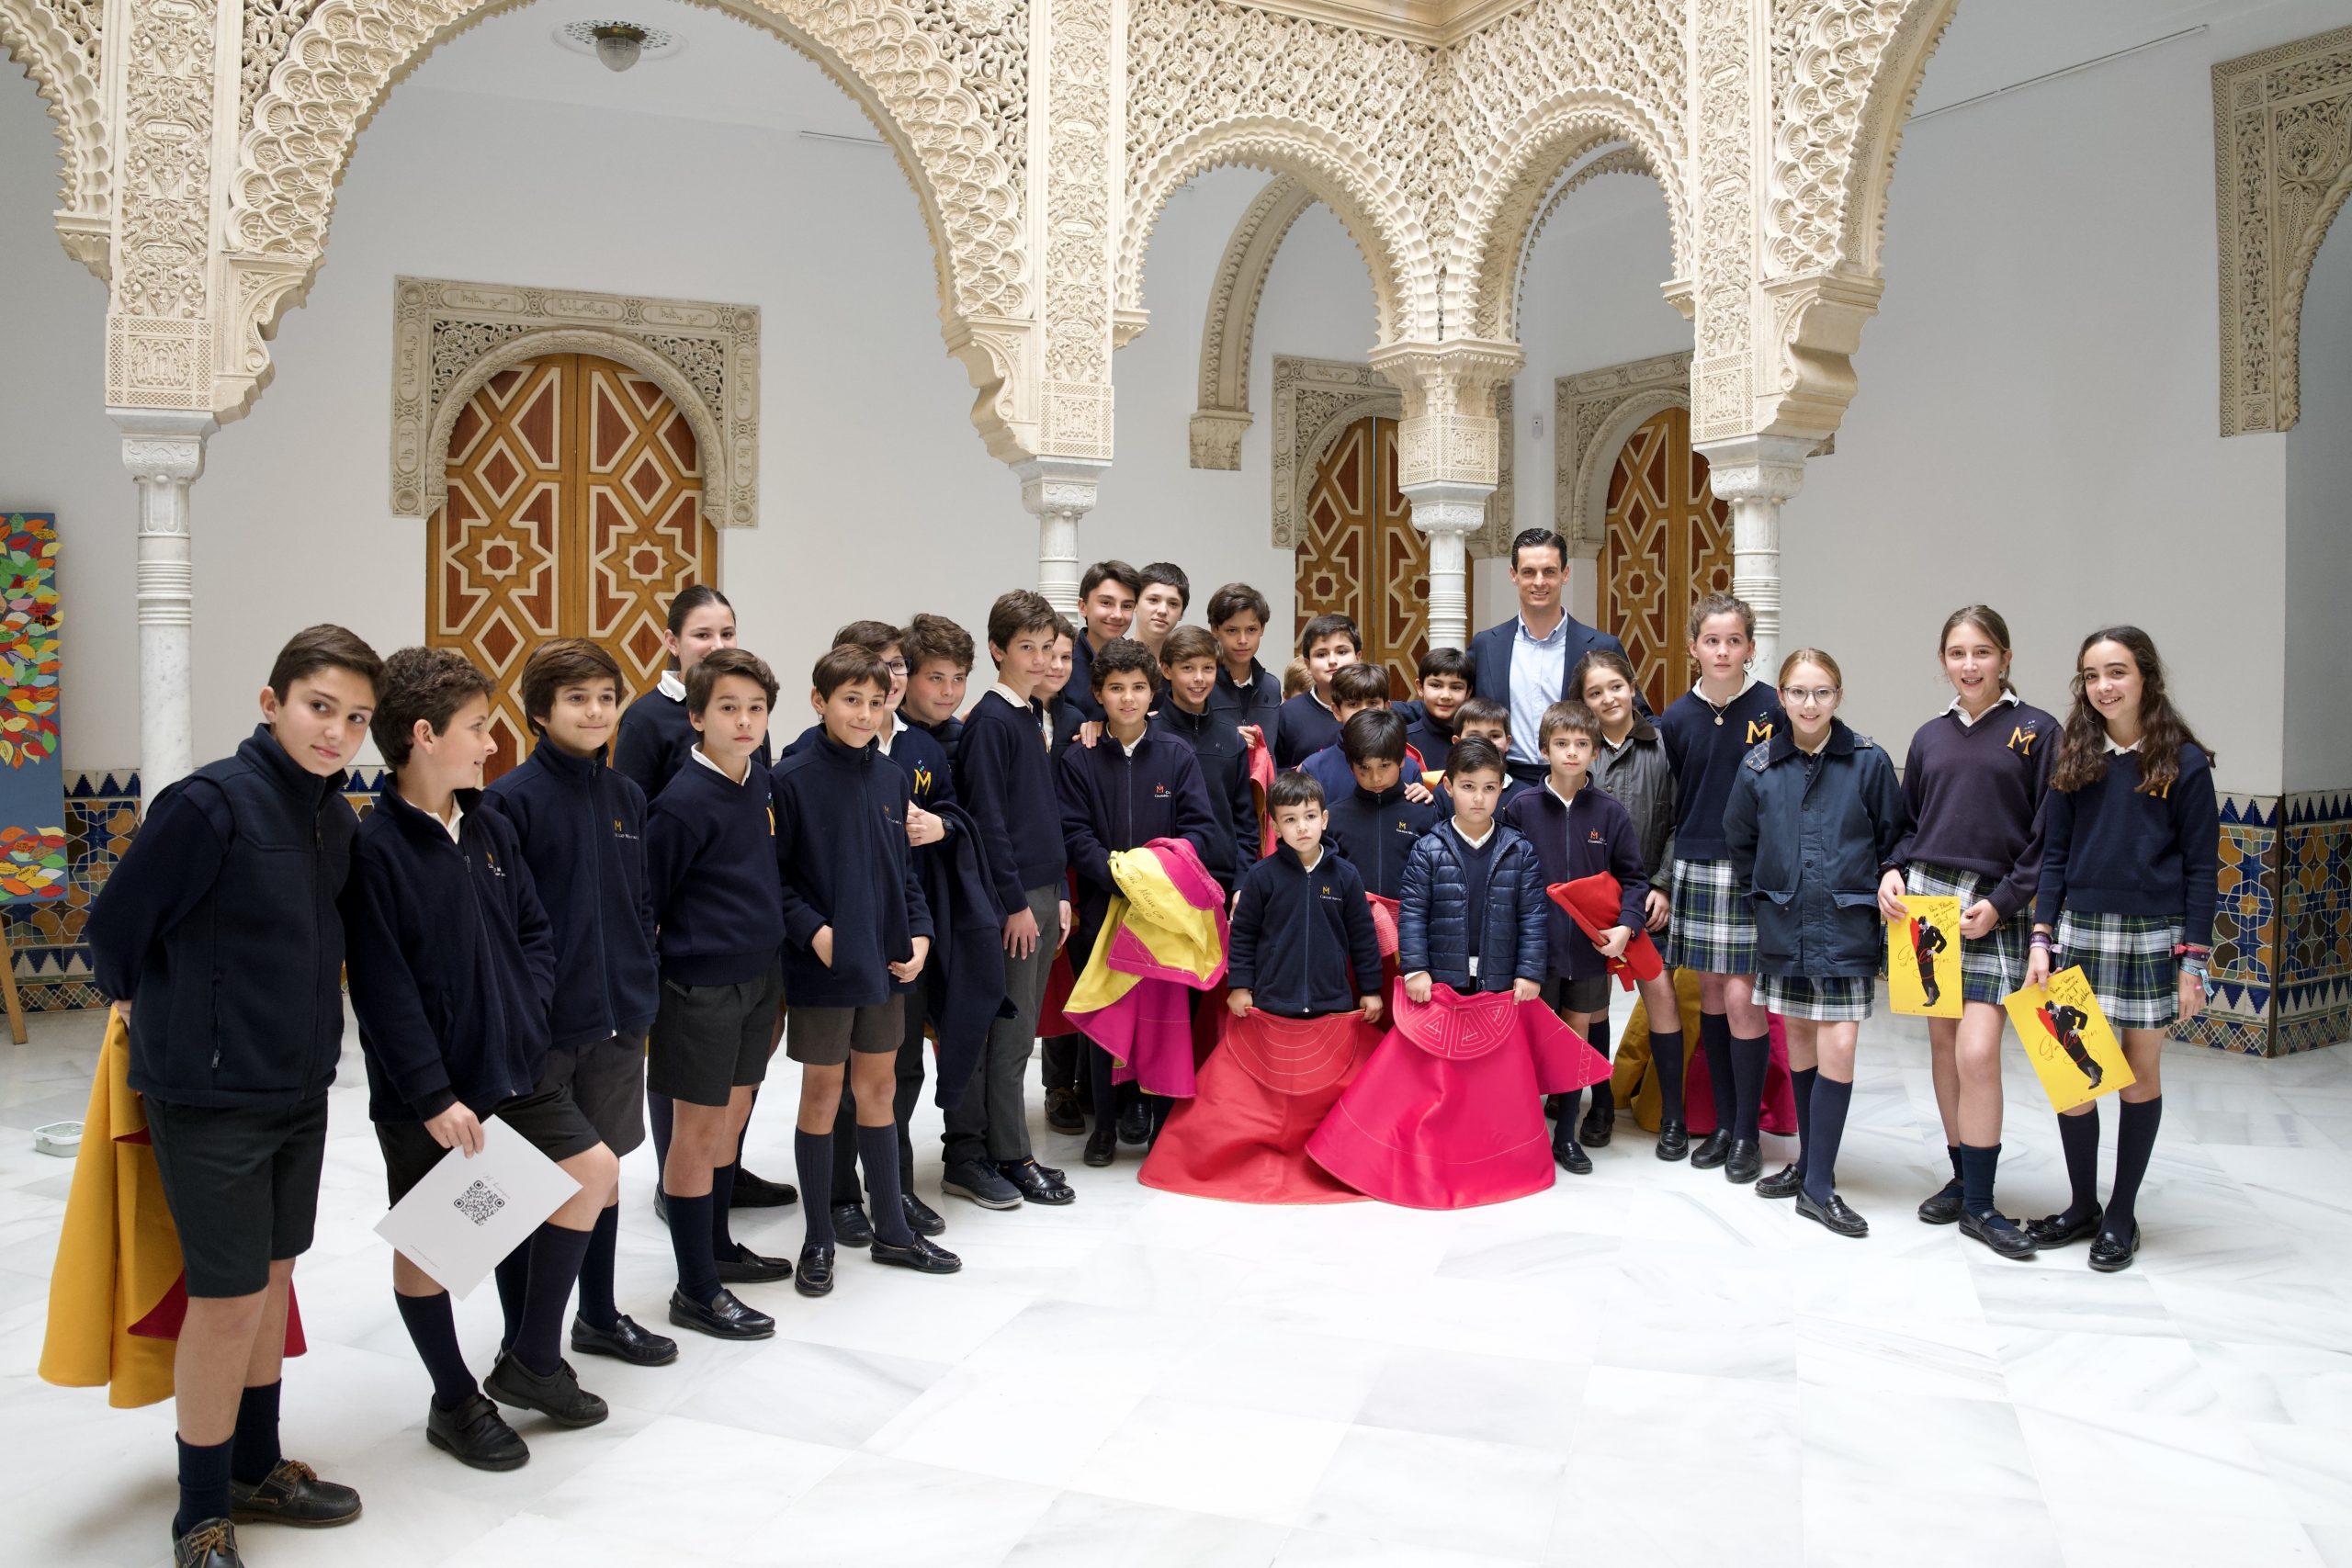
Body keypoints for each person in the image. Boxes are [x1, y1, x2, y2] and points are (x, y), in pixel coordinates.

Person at [85, 626, 380, 1568]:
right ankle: (199, 1512)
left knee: (274, 1280)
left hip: (297, 1088)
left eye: (356, 719)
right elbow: (114, 928)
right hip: (210, 1097)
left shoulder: (336, 817)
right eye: (319, 708)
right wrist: (150, 1007)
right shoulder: (209, 804)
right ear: (272, 704)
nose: (336, 733)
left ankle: (258, 1466)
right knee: (224, 1299)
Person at [343, 648, 621, 1466]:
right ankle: (453, 1398)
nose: (490, 741)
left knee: (593, 1169)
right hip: (433, 1094)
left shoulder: (488, 821)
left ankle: (532, 1359)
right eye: (476, 727)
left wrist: (528, 1003)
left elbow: (534, 930)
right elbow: (384, 993)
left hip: (516, 1065)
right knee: (436, 1246)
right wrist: (432, 1095)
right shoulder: (377, 848)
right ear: (425, 735)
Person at [481, 641, 677, 1370]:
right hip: (543, 1029)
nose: (595, 711)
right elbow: (501, 927)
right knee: (523, 1183)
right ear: (540, 711)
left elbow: (639, 901)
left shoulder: (627, 795)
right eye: (576, 698)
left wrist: (642, 981)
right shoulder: (508, 802)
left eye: (604, 696)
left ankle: (598, 1314)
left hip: (620, 1018)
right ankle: (520, 1337)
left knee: (605, 1172)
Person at [2024, 626, 2218, 1273]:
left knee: (2137, 1071)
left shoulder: (2184, 762)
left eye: (2117, 671)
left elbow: (2200, 868)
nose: (2103, 686)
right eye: (2091, 675)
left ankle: (2121, 1213)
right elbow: (2054, 856)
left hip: (2152, 937)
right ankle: (2082, 1202)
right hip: (2079, 929)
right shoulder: (2074, 753)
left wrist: (2193, 962)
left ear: (2145, 677)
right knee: (2071, 1071)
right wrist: (2042, 937)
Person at [774, 645, 959, 1293]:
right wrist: (815, 934)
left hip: (885, 961)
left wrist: (921, 931)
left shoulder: (890, 778)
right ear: (820, 701)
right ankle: (818, 1236)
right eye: (850, 699)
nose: (863, 712)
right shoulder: (790, 778)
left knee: (878, 1089)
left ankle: (894, 1232)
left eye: (875, 701)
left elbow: (903, 872)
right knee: (824, 1094)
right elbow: (779, 882)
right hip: (824, 966)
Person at [1876, 606, 2055, 1260]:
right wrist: (1892, 871)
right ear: (1943, 661)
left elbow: (2048, 836)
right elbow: (1908, 823)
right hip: (1926, 904)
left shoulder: (2038, 731)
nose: (1970, 664)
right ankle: (1962, 1174)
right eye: (1957, 653)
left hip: (1992, 906)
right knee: (1944, 1047)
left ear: (2006, 656)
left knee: (1978, 1052)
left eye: (1982, 651)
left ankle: (1982, 1204)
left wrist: (2006, 903)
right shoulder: (1928, 736)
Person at [610, 584, 794, 1216]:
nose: (716, 644)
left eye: (726, 633)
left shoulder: (746, 724)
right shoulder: (647, 723)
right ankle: (679, 1186)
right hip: (693, 936)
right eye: (702, 634)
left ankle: (724, 1174)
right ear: (672, 642)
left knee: (737, 1082)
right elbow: (638, 830)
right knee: (690, 1082)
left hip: (746, 940)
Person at [1724, 649, 1906, 1239]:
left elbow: (1894, 835)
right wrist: (1768, 893)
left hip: (1847, 924)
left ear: (1839, 696)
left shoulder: (1869, 760)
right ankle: (1808, 1165)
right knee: (1799, 1043)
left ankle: (1819, 1187)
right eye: (1798, 693)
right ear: (1780, 698)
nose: (1810, 704)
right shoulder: (1757, 767)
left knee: (1840, 1048)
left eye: (1822, 692)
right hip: (1783, 923)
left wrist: (1889, 871)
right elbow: (1740, 842)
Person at [1142, 771, 1385, 1202]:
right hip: (1273, 1002)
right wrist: (1241, 986)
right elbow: (1245, 937)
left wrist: (1370, 989)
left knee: (1324, 1090)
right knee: (1273, 1093)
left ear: (1325, 819)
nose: (1302, 827)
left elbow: (1364, 938)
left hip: (1332, 1003)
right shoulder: (1260, 877)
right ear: (1274, 827)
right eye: (1290, 820)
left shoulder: (1346, 877)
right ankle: (1270, 1149)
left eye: (1310, 816)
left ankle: (1325, 1156)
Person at [643, 648, 792, 1343]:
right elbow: (653, 902)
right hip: (701, 987)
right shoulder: (680, 803)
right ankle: (695, 1288)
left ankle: (719, 1248)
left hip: (757, 978)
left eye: (756, 708)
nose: (744, 720)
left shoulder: (757, 781)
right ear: (697, 716)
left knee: (732, 1120)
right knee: (695, 1134)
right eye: (728, 708)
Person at [1057, 637, 1220, 1163]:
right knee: (1110, 1014)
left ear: (1154, 693)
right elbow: (1074, 833)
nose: (1127, 698)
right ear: (1098, 695)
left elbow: (1199, 828)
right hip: (1104, 909)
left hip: (1165, 915)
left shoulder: (1176, 754)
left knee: (1164, 1019)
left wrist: (1155, 875)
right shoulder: (1079, 759)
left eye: (1138, 688)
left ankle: (1160, 1126)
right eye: (1115, 688)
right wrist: (1117, 873)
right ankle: (1104, 1124)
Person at [947, 591, 1077, 1209]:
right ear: (998, 649)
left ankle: (1012, 1146)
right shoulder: (992, 722)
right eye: (1025, 647)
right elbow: (988, 822)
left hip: (1045, 888)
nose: (1039, 659)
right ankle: (1011, 1152)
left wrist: (1063, 890)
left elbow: (1041, 813)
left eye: (1047, 648)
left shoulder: (1028, 715)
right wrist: (1015, 903)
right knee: (1013, 1030)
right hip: (1017, 896)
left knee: (1023, 1025)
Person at [1657, 593, 1783, 1184]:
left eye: (1735, 641)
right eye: (1712, 640)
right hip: (1696, 862)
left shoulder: (1775, 708)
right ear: (1693, 648)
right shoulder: (1678, 717)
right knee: (1710, 996)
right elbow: (1675, 797)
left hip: (1752, 868)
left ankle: (1749, 1133)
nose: (1724, 651)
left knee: (1742, 999)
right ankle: (1727, 1125)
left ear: (1751, 648)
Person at [1502, 701, 1646, 1174]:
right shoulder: (1520, 807)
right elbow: (1505, 878)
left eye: (1582, 744)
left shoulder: (1609, 812)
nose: (1571, 753)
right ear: (1544, 749)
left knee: (1574, 1040)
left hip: (1587, 951)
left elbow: (1633, 878)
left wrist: (1626, 926)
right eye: (1561, 744)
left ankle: (1566, 1137)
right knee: (1529, 1042)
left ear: (1596, 751)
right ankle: (1523, 1131)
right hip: (1534, 951)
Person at [1573, 649, 1683, 1157]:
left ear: (1632, 686)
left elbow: (1682, 821)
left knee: (1660, 993)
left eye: (1615, 687)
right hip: (1594, 903)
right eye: (1594, 693)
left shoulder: (1664, 745)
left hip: (1650, 897)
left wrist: (1661, 883)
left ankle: (1674, 1115)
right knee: (1591, 1003)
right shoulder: (1578, 751)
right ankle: (1597, 1105)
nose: (1607, 699)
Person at [1466, 527, 1640, 786]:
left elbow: (1638, 716)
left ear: (1565, 574)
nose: (1539, 582)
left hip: (1582, 781)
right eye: (1528, 572)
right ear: (1513, 575)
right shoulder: (1486, 646)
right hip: (1504, 782)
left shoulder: (1602, 646)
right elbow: (1452, 705)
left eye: (1549, 571)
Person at [1153, 625, 1257, 891]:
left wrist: (1242, 882)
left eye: (1208, 668)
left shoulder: (1232, 739)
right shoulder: (1148, 734)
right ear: (1167, 671)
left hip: (1220, 878)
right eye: (1187, 668)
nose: (1199, 678)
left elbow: (1245, 822)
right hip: (1158, 877)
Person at [1323, 709, 1443, 904]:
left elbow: (1437, 878)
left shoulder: (1424, 811)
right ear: (1351, 765)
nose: (1376, 777)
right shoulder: (1333, 817)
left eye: (1384, 765)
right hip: (1353, 924)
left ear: (1402, 760)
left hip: (1411, 923)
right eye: (1365, 768)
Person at [1298, 661, 1429, 803]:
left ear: (1387, 707)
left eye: (1372, 703)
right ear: (1337, 711)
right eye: (1353, 704)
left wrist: (1425, 802)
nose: (1364, 711)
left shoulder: (1408, 766)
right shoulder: (1314, 769)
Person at [1273, 613, 1362, 768]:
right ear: (1308, 665)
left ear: (1358, 657)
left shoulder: (1373, 706)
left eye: (1342, 652)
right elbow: (1273, 773)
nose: (1333, 661)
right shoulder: (1288, 713)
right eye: (1321, 654)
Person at [1205, 581, 1284, 753]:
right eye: (1232, 630)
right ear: (1214, 629)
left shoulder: (1271, 686)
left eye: (1251, 629)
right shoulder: (1201, 684)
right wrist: (1227, 739)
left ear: (1262, 629)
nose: (1243, 640)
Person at [1064, 560, 1141, 724]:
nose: (1117, 615)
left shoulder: (1139, 663)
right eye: (1106, 603)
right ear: (1082, 606)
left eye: (1127, 606)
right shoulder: (1062, 662)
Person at [900, 612, 974, 769]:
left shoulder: (967, 740)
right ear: (906, 676)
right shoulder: (880, 734)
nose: (948, 691)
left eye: (958, 679)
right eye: (936, 678)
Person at [1396, 647, 1472, 773]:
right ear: (1420, 687)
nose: (1445, 696)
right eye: (1436, 685)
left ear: (1468, 692)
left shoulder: (1476, 739)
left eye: (1456, 687)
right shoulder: (1401, 741)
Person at [1450, 698, 1531, 811]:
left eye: (1495, 736)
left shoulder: (1524, 796)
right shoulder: (1443, 794)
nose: (1485, 742)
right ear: (1457, 742)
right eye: (1474, 736)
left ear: (1508, 742)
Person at [1135, 562, 1191, 654]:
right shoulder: (1112, 659)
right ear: (1135, 604)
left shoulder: (1188, 664)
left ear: (1182, 613)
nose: (1162, 611)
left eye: (1173, 604)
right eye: (1153, 600)